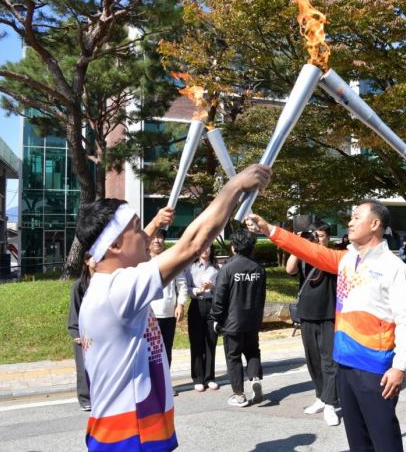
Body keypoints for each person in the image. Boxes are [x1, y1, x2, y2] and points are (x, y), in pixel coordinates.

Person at [76, 163, 271, 452]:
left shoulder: (107, 288)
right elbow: (191, 245)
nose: (147, 236)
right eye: (136, 230)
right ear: (114, 245)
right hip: (129, 438)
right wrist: (235, 186)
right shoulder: (116, 291)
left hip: (131, 432)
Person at [247, 200, 406, 452]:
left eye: (356, 217)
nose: (349, 222)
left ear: (375, 224)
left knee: (384, 440)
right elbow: (308, 250)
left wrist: (400, 367)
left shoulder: (394, 268)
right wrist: (270, 230)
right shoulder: (346, 260)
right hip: (344, 365)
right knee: (358, 441)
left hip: (376, 370)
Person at [286, 223, 340, 426]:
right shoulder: (304, 255)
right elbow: (289, 269)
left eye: (321, 236)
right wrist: (299, 244)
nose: (317, 239)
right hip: (307, 313)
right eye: (314, 236)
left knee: (329, 360)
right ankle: (320, 396)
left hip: (329, 313)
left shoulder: (333, 255)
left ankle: (330, 404)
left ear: (328, 238)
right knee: (313, 359)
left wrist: (317, 247)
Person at [210, 229, 267, 408]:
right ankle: (255, 378)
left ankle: (239, 395)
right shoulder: (259, 268)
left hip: (232, 321)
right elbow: (262, 296)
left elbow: (219, 296)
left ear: (233, 247)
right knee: (252, 351)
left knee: (233, 356)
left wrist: (215, 318)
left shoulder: (228, 268)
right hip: (253, 319)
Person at [149, 229, 188, 371]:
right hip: (148, 315)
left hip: (168, 313)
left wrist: (180, 304)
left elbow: (182, 284)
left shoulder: (172, 259)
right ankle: (152, 386)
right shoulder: (142, 261)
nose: (156, 240)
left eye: (159, 237)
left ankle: (165, 385)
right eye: (153, 237)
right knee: (150, 351)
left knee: (166, 350)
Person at [186, 245, 220, 392]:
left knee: (211, 341)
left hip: (211, 305)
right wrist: (198, 290)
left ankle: (210, 377)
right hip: (197, 304)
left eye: (208, 248)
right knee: (196, 341)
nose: (206, 250)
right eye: (203, 248)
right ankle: (198, 377)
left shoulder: (216, 268)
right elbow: (185, 287)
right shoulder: (191, 268)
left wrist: (212, 287)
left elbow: (221, 288)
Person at [67, 270, 92, 412]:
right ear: (87, 263)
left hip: (101, 331)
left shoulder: (104, 283)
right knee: (83, 367)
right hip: (83, 332)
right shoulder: (79, 285)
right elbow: (74, 310)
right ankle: (85, 398)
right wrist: (75, 332)